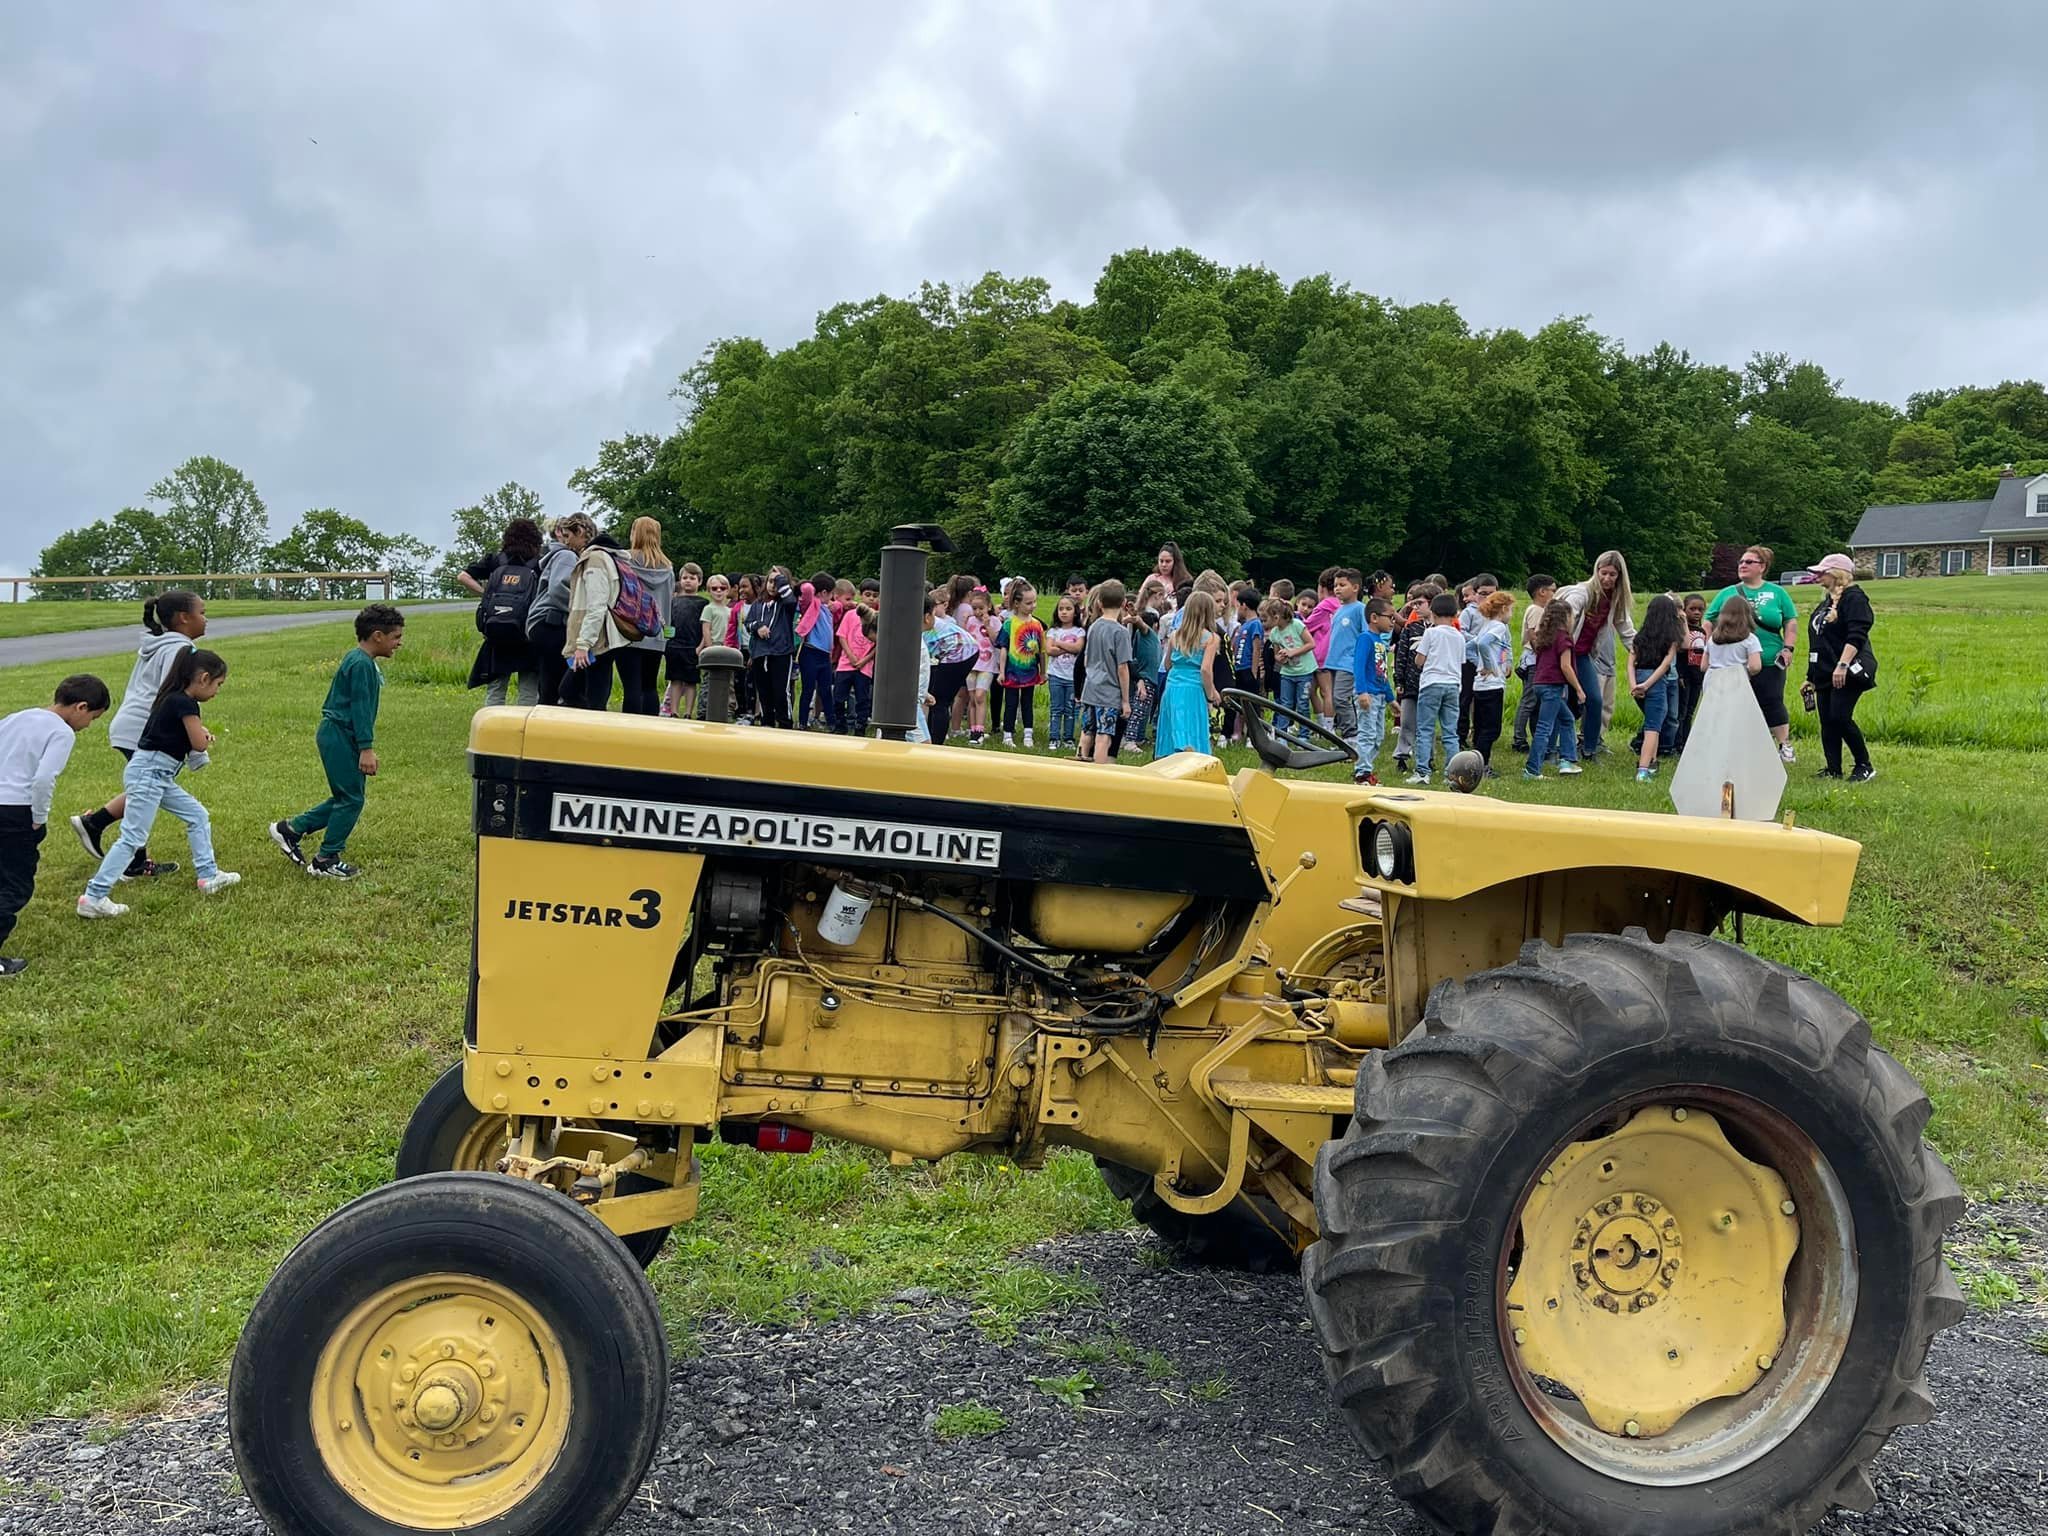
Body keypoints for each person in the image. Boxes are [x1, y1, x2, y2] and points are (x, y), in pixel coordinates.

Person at [78, 648, 240, 916]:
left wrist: (198, 732)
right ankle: (93, 896)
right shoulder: (186, 704)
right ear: (203, 678)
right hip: (150, 775)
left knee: (197, 815)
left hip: (155, 775)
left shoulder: (171, 699)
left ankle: (208, 875)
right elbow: (197, 744)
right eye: (218, 685)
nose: (217, 691)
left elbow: (183, 735)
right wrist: (205, 737)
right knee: (132, 837)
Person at [68, 589, 207, 879]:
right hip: (145, 727)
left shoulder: (158, 643)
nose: (206, 619)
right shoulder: (182, 650)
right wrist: (192, 728)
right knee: (150, 788)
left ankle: (101, 829)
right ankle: (124, 857)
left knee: (147, 788)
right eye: (202, 612)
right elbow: (172, 694)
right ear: (184, 618)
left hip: (129, 724)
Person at [271, 604, 406, 880]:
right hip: (340, 734)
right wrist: (366, 749)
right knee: (351, 799)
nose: (399, 643)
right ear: (377, 636)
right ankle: (325, 859)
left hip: (340, 733)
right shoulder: (361, 664)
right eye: (396, 637)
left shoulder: (360, 660)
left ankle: (291, 829)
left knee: (347, 797)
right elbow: (360, 708)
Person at [0, 675, 109, 976]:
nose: (88, 725)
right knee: (15, 884)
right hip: (17, 812)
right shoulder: (62, 732)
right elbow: (44, 778)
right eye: (93, 718)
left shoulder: (16, 717)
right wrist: (38, 817)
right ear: (81, 707)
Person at [1707, 545, 1800, 765]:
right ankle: (1741, 745)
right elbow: (1708, 619)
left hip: (1768, 659)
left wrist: (1788, 648)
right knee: (1735, 705)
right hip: (1734, 663)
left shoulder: (1777, 593)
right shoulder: (1727, 593)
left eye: (1749, 562)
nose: (1743, 565)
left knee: (1772, 700)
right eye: (1741, 562)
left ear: (1763, 567)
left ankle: (1784, 745)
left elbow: (1790, 621)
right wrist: (1711, 645)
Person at [1803, 553, 1877, 783]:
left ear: (1837, 574)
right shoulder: (1827, 602)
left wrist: (1842, 665)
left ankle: (1864, 764)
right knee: (1827, 720)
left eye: (1822, 572)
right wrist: (1810, 677)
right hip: (1824, 670)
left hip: (1846, 669)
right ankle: (1833, 767)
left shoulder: (1854, 598)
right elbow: (1819, 641)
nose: (1817, 577)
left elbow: (1857, 635)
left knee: (1840, 716)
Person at [1560, 552, 1636, 760]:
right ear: (1597, 571)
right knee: (1559, 699)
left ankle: (1589, 748)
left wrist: (1641, 653)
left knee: (1594, 699)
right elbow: (1568, 613)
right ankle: (1550, 748)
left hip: (1583, 655)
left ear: (1620, 576)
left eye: (1612, 575)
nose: (1607, 579)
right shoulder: (1582, 593)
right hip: (1562, 652)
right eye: (1603, 573)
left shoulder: (1616, 599)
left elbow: (1626, 630)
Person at [464, 517, 545, 708]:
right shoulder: (539, 564)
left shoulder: (496, 560)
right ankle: (524, 729)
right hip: (527, 633)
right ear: (536, 540)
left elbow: (463, 576)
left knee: (496, 687)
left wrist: (485, 595)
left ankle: (493, 727)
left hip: (497, 632)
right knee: (528, 688)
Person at [556, 514, 628, 710]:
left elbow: (596, 604)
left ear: (579, 532)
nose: (566, 541)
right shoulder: (605, 556)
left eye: (567, 535)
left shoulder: (594, 559)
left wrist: (583, 644)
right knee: (588, 692)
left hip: (596, 641)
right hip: (599, 638)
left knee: (578, 692)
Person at [613, 518, 674, 717]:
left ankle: (630, 731)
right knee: (649, 687)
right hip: (656, 635)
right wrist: (666, 635)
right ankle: (650, 731)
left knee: (631, 687)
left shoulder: (624, 561)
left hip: (629, 631)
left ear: (634, 533)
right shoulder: (668, 567)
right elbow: (669, 603)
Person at [1152, 589, 1222, 758]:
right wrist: (1211, 693)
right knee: (1192, 727)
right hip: (1193, 688)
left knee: (1174, 726)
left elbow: (1167, 663)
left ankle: (1169, 758)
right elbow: (1205, 669)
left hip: (1173, 686)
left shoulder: (1176, 635)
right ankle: (1191, 758)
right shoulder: (1211, 638)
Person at [1523, 599, 1586, 779]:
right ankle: (1532, 769)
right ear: (1566, 618)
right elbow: (1566, 667)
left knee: (1567, 719)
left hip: (1539, 684)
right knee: (1545, 727)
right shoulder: (1563, 638)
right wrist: (1579, 689)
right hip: (1552, 687)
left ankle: (1567, 760)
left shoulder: (1544, 637)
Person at [1409, 593, 1465, 784]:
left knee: (1425, 729)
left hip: (1431, 683)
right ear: (1455, 614)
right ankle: (1452, 774)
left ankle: (1422, 772)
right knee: (1450, 731)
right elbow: (1461, 661)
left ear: (1432, 613)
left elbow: (1420, 659)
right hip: (1453, 684)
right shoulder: (1459, 636)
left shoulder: (1430, 633)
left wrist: (1418, 659)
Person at [1629, 595, 1684, 784]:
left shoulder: (1639, 637)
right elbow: (1664, 665)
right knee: (1653, 727)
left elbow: (1631, 663)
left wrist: (1634, 685)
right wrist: (1648, 684)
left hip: (1638, 681)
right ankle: (1643, 769)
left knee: (1655, 720)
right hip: (1656, 683)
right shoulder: (1671, 639)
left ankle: (1652, 762)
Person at [524, 522, 579, 707]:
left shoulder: (553, 555)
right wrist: (578, 608)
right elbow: (558, 588)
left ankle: (544, 721)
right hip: (553, 623)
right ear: (559, 533)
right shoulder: (567, 555)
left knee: (549, 679)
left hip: (541, 624)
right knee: (559, 682)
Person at [1079, 579, 1133, 764]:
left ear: (1099, 603)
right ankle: (1098, 772)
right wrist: (1125, 700)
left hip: (1090, 689)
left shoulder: (1093, 627)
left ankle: (1080, 763)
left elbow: (1086, 659)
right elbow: (1122, 667)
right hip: (1109, 693)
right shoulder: (1121, 632)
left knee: (1087, 731)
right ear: (1124, 603)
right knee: (1104, 735)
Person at [1349, 598, 1397, 785]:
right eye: (1390, 617)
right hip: (1368, 694)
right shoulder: (1365, 638)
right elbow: (1359, 666)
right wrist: (1362, 692)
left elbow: (1382, 673)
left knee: (1378, 736)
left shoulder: (1380, 642)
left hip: (1379, 695)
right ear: (1374, 617)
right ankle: (1362, 774)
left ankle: (1366, 769)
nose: (1393, 621)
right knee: (1367, 734)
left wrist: (1391, 699)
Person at [994, 582, 1046, 747]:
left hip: (1030, 672)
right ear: (1016, 603)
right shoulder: (1009, 624)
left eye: (1034, 602)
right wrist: (1002, 672)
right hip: (1012, 672)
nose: (1033, 606)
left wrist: (1043, 672)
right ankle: (1008, 734)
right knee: (1010, 703)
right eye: (1028, 603)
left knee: (1027, 703)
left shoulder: (1037, 625)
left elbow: (1042, 651)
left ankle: (1028, 733)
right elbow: (1003, 648)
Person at [1391, 582, 1436, 772]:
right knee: (1407, 721)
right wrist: (1399, 679)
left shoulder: (1441, 630)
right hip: (1411, 682)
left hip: (1432, 683)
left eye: (1420, 603)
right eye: (1414, 604)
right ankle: (1402, 754)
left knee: (1428, 723)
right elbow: (1401, 655)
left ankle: (1427, 757)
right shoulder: (1411, 628)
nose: (1415, 608)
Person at [1510, 575, 1556, 753]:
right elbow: (1535, 635)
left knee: (1534, 701)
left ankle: (1533, 735)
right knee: (1529, 701)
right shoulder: (1537, 610)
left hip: (1533, 660)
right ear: (1542, 592)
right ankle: (1519, 738)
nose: (1555, 593)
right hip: (1534, 662)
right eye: (1552, 590)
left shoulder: (1535, 609)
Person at [1468, 589, 1513, 774]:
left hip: (1479, 685)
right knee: (1491, 729)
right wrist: (1489, 666)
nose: (1511, 614)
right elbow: (1482, 644)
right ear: (1503, 609)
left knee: (1480, 727)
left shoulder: (1486, 625)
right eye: (1510, 610)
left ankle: (1474, 762)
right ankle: (1482, 766)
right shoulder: (1498, 627)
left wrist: (1473, 661)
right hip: (1492, 685)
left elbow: (1470, 645)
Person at [1324, 569, 1365, 754]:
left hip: (1348, 663)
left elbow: (1365, 635)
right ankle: (1345, 736)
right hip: (1333, 662)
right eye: (1335, 586)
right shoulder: (1339, 610)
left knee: (1341, 698)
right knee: (1335, 699)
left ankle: (1352, 737)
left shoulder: (1359, 609)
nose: (1337, 589)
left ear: (1355, 587)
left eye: (1342, 585)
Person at [1457, 573, 1498, 749]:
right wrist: (1479, 638)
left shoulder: (1497, 614)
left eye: (1492, 593)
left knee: (1483, 700)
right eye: (1483, 593)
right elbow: (1460, 632)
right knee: (1465, 698)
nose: (1488, 598)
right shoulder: (1469, 612)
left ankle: (1479, 734)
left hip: (1488, 662)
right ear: (1476, 593)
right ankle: (1460, 735)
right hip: (1470, 660)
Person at [832, 580, 878, 735]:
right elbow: (842, 636)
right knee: (839, 697)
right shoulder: (851, 615)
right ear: (860, 595)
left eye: (875, 596)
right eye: (868, 595)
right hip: (846, 663)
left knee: (862, 700)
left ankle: (860, 728)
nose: (871, 599)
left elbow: (879, 643)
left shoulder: (878, 618)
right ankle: (840, 725)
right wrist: (851, 656)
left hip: (865, 666)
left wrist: (865, 660)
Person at [663, 563, 707, 719]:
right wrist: (666, 641)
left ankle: (688, 712)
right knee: (675, 679)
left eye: (692, 578)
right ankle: (673, 711)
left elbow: (706, 627)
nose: (688, 581)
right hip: (674, 645)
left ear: (699, 581)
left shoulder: (703, 603)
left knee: (690, 681)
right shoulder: (673, 601)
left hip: (692, 646)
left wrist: (701, 646)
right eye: (685, 578)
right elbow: (668, 622)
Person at [795, 570, 838, 730]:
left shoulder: (828, 608)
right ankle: (803, 721)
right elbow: (806, 590)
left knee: (826, 690)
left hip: (824, 655)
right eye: (831, 594)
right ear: (824, 592)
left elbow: (839, 605)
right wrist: (813, 585)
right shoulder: (812, 605)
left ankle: (832, 722)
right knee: (808, 688)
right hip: (810, 652)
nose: (833, 598)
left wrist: (835, 603)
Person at [1264, 596, 1316, 725]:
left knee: (1302, 703)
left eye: (1267, 618)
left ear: (1276, 617)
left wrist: (1292, 652)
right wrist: (1280, 658)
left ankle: (1304, 735)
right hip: (1287, 673)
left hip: (1304, 671)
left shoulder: (1297, 625)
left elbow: (1311, 644)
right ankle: (1282, 734)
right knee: (1285, 704)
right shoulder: (1274, 633)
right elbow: (1276, 654)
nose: (1265, 622)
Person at [1044, 595, 1086, 751]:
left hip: (1072, 677)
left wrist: (1059, 644)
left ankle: (1068, 738)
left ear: (1075, 612)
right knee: (1056, 708)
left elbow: (1078, 649)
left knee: (1070, 709)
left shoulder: (1080, 631)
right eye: (1061, 609)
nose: (1064, 612)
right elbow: (1049, 650)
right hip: (1056, 675)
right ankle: (1054, 737)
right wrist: (1069, 646)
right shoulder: (1053, 631)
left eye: (1068, 609)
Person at [1228, 585, 1265, 744]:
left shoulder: (1255, 624)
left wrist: (1254, 670)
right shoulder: (1243, 625)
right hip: (1239, 668)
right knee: (1240, 703)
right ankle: (1238, 732)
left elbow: (1257, 647)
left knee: (1252, 705)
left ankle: (1253, 736)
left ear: (1244, 605)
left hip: (1249, 669)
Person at [1304, 569, 1340, 727]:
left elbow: (1306, 626)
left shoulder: (1324, 606)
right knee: (1312, 690)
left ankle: (1327, 727)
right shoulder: (1341, 605)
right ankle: (1322, 724)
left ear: (1322, 587)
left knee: (1326, 692)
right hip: (1336, 654)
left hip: (1321, 655)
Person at [1674, 592, 1708, 751]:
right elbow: (1679, 654)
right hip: (1684, 676)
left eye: (1700, 609)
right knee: (1681, 711)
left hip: (1697, 677)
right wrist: (1680, 674)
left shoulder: (1702, 631)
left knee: (1690, 711)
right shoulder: (1681, 630)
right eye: (1692, 609)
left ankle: (1686, 742)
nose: (1696, 612)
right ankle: (1677, 742)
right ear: (1684, 610)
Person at [963, 588, 997, 743]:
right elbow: (963, 638)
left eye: (981, 608)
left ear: (989, 606)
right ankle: (972, 729)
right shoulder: (970, 621)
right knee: (972, 698)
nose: (977, 612)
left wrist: (988, 625)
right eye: (974, 608)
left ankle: (980, 730)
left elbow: (997, 641)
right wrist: (964, 623)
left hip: (987, 664)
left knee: (980, 696)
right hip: (971, 664)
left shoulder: (995, 621)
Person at [1706, 599, 1764, 676]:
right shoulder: (1750, 639)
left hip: (1713, 681)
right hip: (1737, 680)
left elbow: (1704, 666)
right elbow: (1755, 667)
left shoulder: (1713, 638)